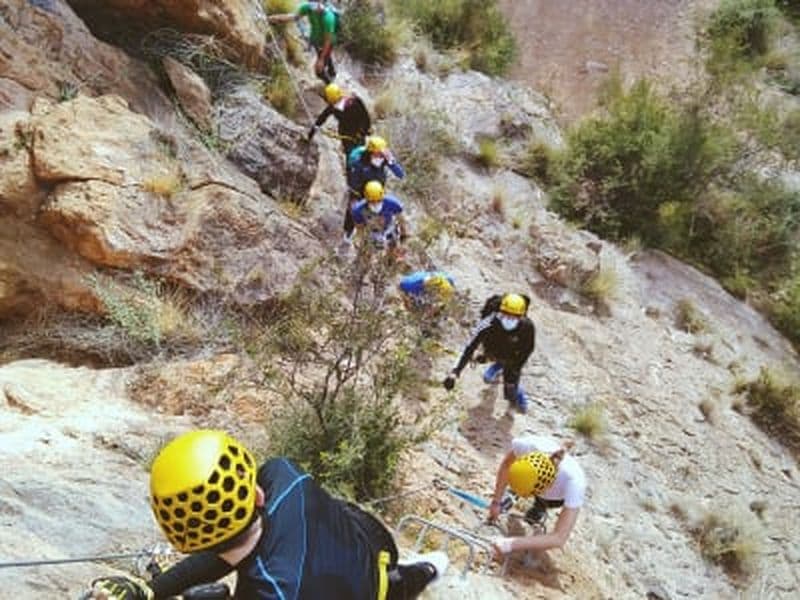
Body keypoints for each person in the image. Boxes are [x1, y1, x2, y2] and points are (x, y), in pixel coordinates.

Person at [84, 430, 448, 600]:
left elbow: (227, 549)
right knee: (409, 578)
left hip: (362, 583)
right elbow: (236, 545)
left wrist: (152, 590)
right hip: (372, 554)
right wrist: (151, 590)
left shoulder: (270, 591)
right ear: (257, 493)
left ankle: (427, 572)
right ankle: (430, 570)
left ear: (182, 537)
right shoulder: (282, 475)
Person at [487, 435, 586, 559]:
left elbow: (559, 538)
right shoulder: (527, 446)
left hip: (554, 500)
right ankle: (512, 495)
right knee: (517, 487)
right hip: (532, 481)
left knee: (541, 505)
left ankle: (539, 507)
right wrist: (496, 501)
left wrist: (510, 544)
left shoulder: (574, 483)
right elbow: (507, 465)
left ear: (546, 488)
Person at [442, 293, 535, 413]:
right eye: (506, 314)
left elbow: (527, 350)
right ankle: (495, 363)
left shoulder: (527, 328)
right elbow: (469, 347)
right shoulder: (488, 324)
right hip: (494, 350)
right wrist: (455, 372)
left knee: (510, 389)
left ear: (521, 316)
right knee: (489, 369)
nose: (509, 319)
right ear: (500, 311)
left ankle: (515, 398)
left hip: (513, 357)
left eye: (514, 316)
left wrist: (515, 368)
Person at [344, 136, 405, 245]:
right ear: (369, 153)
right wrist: (358, 201)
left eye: (382, 155)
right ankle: (348, 234)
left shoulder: (384, 161)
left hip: (377, 194)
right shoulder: (359, 165)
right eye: (378, 154)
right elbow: (353, 187)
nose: (380, 157)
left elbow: (400, 175)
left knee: (380, 217)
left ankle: (380, 238)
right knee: (354, 213)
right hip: (361, 194)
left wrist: (391, 162)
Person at [267, 1, 338, 83]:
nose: (313, 8)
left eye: (315, 5)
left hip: (327, 43)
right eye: (311, 4)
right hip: (316, 39)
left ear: (320, 3)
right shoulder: (308, 8)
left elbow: (328, 40)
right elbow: (294, 17)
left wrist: (321, 60)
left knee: (319, 71)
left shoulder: (328, 18)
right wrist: (276, 18)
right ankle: (332, 72)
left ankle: (330, 86)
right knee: (325, 56)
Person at [308, 83, 372, 157]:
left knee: (359, 153)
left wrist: (362, 132)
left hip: (358, 132)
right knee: (350, 154)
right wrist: (313, 130)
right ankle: (349, 167)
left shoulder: (354, 102)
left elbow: (365, 118)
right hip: (345, 133)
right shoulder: (333, 107)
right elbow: (322, 117)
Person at [349, 181, 405, 252]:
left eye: (378, 200)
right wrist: (361, 242)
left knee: (394, 249)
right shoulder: (358, 210)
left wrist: (404, 234)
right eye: (372, 201)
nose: (375, 204)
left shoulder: (393, 203)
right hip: (371, 232)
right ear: (367, 199)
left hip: (389, 228)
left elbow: (401, 219)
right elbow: (360, 228)